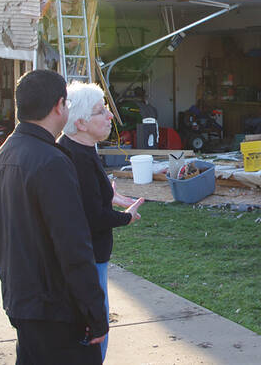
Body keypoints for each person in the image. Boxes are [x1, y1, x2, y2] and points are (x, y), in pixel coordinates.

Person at [0, 70, 108, 364]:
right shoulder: (52, 162)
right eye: (66, 105)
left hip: (21, 301)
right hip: (56, 310)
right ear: (59, 107)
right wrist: (95, 310)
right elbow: (73, 246)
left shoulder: (1, 157)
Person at [59, 81, 145, 362]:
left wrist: (108, 194)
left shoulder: (81, 150)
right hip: (88, 258)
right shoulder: (77, 158)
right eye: (101, 111)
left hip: (87, 257)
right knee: (96, 328)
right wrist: (126, 217)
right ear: (81, 123)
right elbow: (92, 216)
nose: (110, 116)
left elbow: (88, 200)